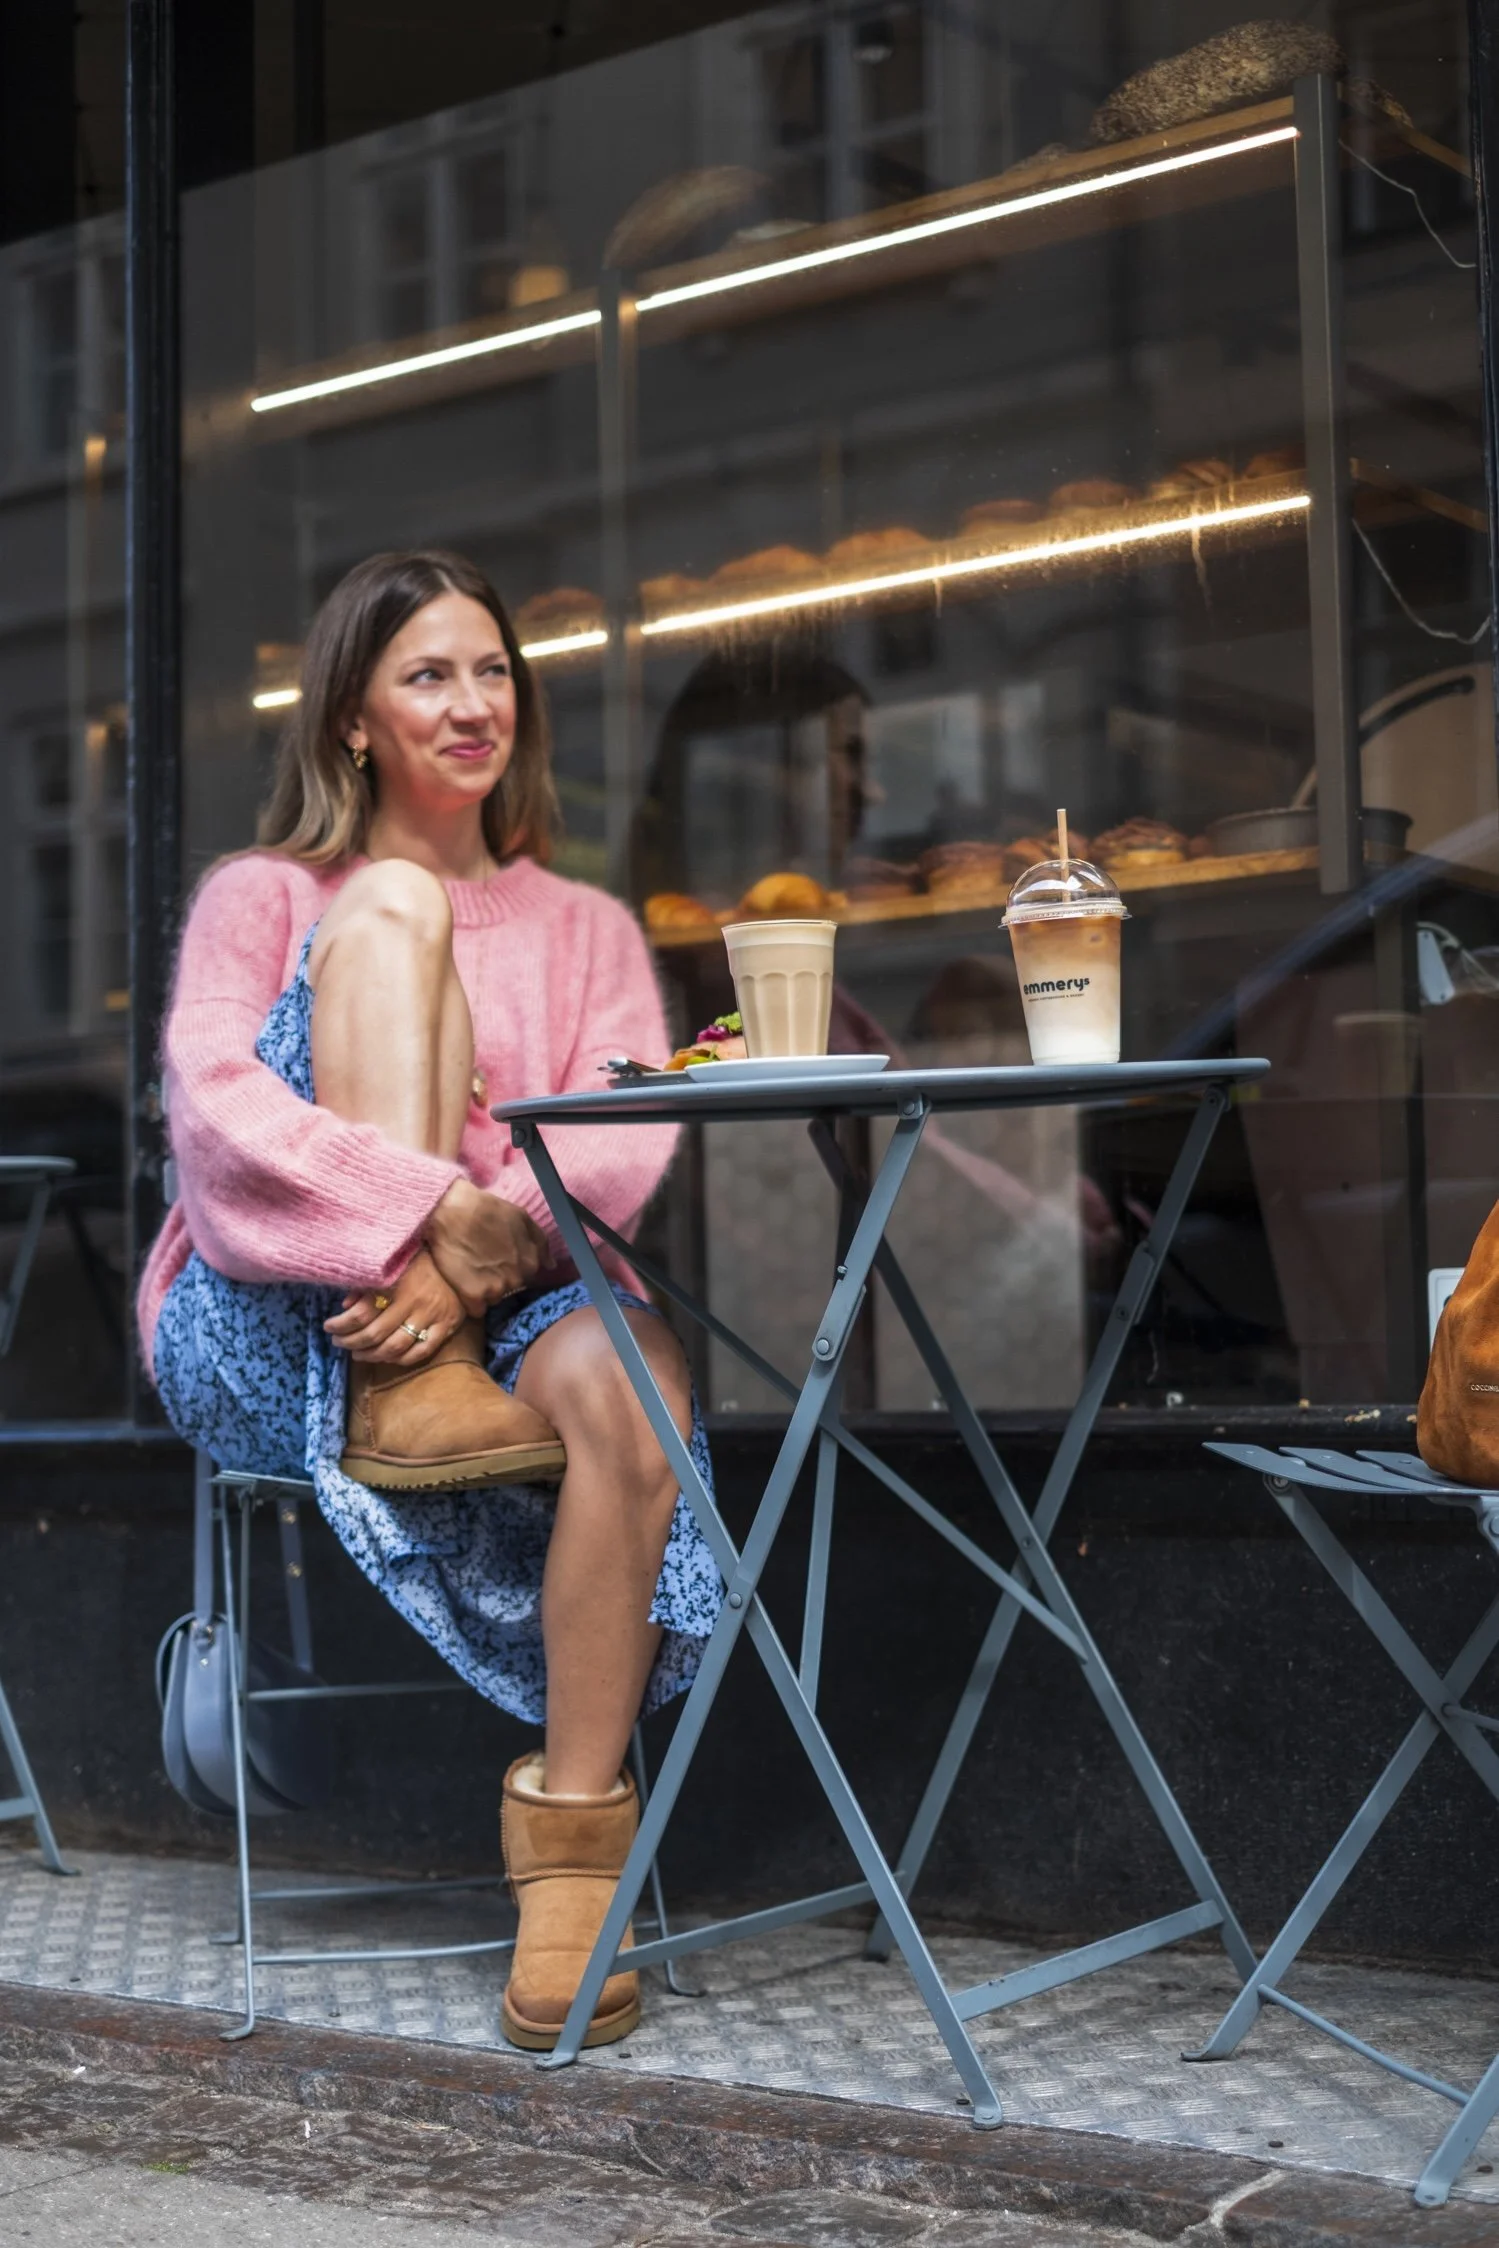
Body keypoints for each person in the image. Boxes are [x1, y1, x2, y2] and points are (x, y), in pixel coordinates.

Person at [138, 549, 721, 2051]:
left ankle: (574, 1853)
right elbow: (211, 1115)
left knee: (634, 1396)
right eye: (428, 676)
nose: (474, 706)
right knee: (397, 901)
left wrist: (476, 1243)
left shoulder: (586, 929)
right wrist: (410, 1209)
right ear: (351, 717)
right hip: (271, 1310)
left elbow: (621, 1139)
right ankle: (405, 1378)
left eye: (493, 672)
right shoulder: (266, 895)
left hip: (505, 1293)